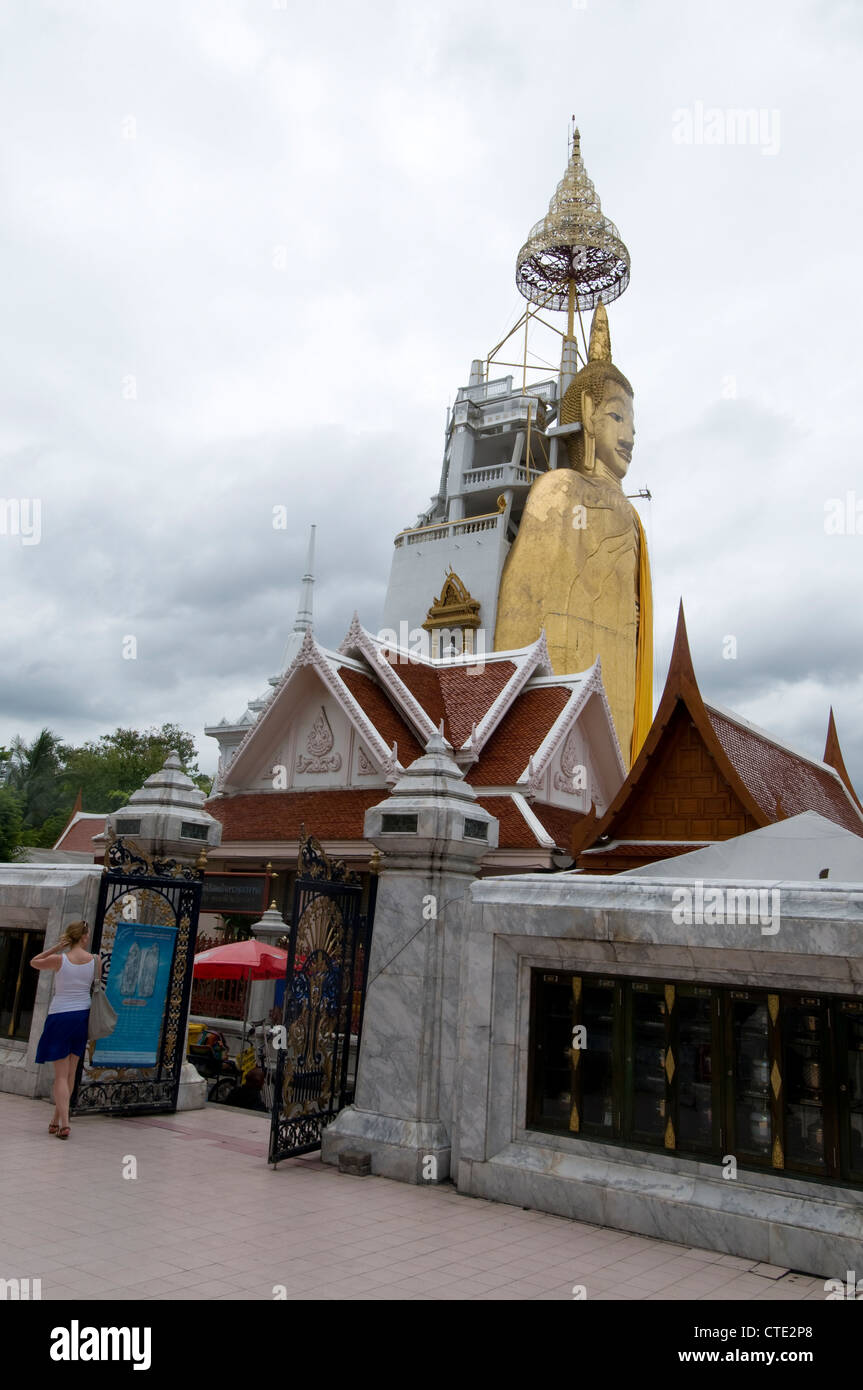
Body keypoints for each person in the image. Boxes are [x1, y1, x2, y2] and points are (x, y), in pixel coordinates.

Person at [30, 920, 101, 1140]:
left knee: (60, 1076)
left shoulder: (60, 960)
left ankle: (65, 1124)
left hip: (60, 1016)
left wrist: (57, 948)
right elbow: (97, 987)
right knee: (70, 1072)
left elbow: (34, 962)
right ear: (84, 937)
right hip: (82, 1017)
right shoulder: (96, 960)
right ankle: (55, 1120)